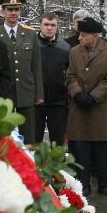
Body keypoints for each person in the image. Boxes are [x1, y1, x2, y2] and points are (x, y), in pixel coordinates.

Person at [66, 17, 107, 196]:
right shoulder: (74, 52)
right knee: (81, 148)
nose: (80, 38)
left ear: (95, 36)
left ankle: (104, 184)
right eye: (79, 35)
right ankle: (83, 185)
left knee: (103, 148)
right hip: (79, 107)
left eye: (83, 35)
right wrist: (77, 94)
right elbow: (70, 75)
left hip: (102, 108)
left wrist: (93, 96)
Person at [0, 0, 44, 144]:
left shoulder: (30, 34)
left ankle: (29, 166)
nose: (13, 13)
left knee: (29, 137)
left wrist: (39, 94)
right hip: (4, 92)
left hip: (26, 91)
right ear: (2, 12)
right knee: (3, 134)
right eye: (9, 9)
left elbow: (36, 66)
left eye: (16, 9)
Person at [35, 12, 71, 145]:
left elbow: (70, 74)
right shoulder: (31, 45)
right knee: (33, 142)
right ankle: (33, 166)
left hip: (58, 102)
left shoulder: (65, 47)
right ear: (40, 25)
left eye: (52, 25)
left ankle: (59, 166)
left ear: (57, 26)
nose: (49, 28)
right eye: (46, 24)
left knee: (58, 142)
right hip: (36, 101)